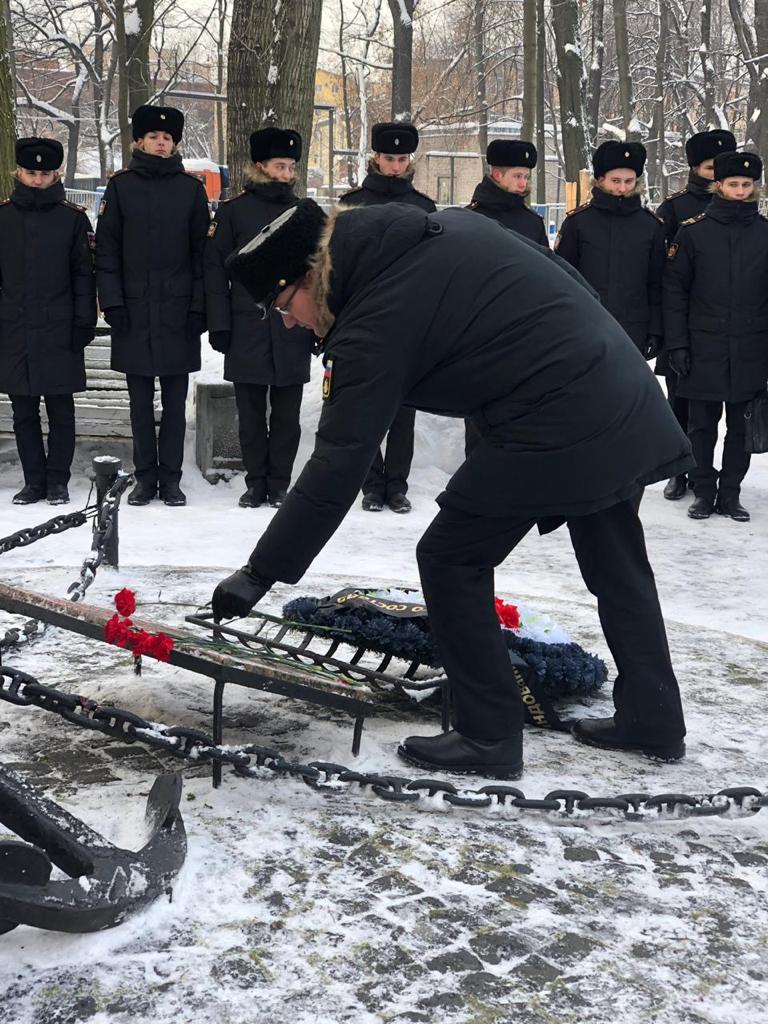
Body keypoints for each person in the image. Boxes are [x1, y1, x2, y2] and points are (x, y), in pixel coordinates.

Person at [211, 199, 692, 779]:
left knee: (450, 558)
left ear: (312, 277)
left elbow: (338, 463)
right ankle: (653, 718)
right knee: (618, 565)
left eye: (283, 305)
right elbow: (564, 286)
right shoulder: (439, 229)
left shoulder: (372, 317)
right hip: (615, 388)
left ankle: (488, 735)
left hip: (554, 415)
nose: (288, 321)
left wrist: (260, 572)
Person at [96, 104, 209, 507]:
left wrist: (200, 308)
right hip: (133, 313)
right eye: (154, 138)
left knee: (176, 405)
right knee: (140, 404)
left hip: (179, 314)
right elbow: (106, 252)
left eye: (168, 139)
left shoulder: (191, 190)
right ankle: (145, 478)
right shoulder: (121, 187)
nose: (161, 144)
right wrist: (113, 305)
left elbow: (203, 256)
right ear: (139, 141)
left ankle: (171, 478)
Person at [205, 127, 313, 508]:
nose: (285, 173)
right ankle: (255, 484)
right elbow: (215, 272)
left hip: (291, 329)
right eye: (278, 166)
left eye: (290, 167)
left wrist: (316, 324)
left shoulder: (303, 213)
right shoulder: (234, 212)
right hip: (245, 326)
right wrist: (219, 324)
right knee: (250, 417)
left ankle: (280, 483)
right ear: (259, 166)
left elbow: (320, 274)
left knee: (287, 417)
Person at [663, 149, 768, 524]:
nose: (740, 190)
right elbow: (674, 293)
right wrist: (676, 344)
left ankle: (731, 495)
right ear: (718, 185)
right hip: (702, 346)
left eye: (747, 184)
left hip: (750, 348)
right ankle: (704, 492)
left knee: (741, 428)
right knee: (701, 426)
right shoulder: (693, 233)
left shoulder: (764, 234)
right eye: (733, 184)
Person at [338, 122, 436, 514]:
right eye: (388, 158)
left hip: (408, 320)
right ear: (375, 157)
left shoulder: (423, 207)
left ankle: (396, 485)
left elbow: (434, 265)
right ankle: (370, 482)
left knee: (403, 409)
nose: (394, 165)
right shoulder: (353, 203)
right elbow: (337, 263)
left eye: (401, 159)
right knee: (363, 405)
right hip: (361, 316)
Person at [0, 138, 96, 505]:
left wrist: (83, 324)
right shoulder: (3, 217)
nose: (37, 180)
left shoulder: (72, 218)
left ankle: (57, 480)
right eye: (30, 173)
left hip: (60, 328)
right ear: (18, 173)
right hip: (14, 328)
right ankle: (33, 481)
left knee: (61, 410)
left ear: (55, 174)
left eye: (44, 173)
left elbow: (84, 276)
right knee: (23, 412)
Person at [656, 128, 737, 500]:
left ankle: (712, 474)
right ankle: (680, 470)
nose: (719, 173)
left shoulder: (742, 205)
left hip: (726, 328)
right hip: (686, 326)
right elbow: (664, 274)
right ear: (694, 168)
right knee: (681, 403)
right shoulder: (675, 209)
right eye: (711, 167)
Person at [555, 141, 666, 364]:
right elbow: (561, 279)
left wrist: (656, 329)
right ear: (601, 179)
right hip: (586, 326)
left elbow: (657, 283)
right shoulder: (578, 223)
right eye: (616, 181)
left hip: (633, 329)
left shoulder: (651, 226)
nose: (622, 188)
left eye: (629, 181)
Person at [467, 139, 548, 245]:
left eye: (526, 177)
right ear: (497, 175)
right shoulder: (471, 219)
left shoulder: (533, 223)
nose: (523, 184)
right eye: (517, 176)